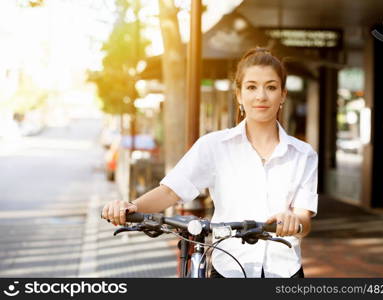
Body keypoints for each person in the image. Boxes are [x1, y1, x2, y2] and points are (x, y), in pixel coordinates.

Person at [101, 47, 318, 278]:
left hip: (285, 271)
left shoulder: (303, 154)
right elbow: (170, 192)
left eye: (271, 87)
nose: (261, 96)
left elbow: (304, 220)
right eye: (251, 87)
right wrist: (132, 206)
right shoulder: (214, 146)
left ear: (283, 95)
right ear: (239, 95)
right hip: (228, 269)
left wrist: (293, 220)